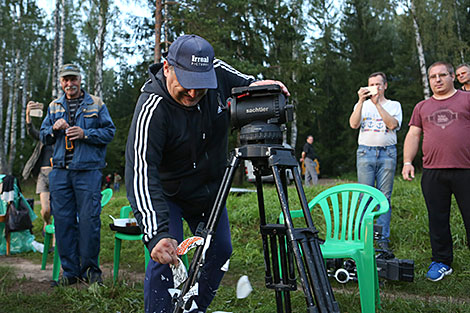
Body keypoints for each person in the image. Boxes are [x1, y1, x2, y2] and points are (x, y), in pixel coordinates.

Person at [125, 34, 289, 313]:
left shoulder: (218, 72)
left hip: (210, 190)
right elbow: (140, 170)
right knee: (167, 255)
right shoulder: (151, 109)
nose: (192, 94)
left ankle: (193, 307)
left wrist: (257, 87)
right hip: (169, 193)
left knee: (220, 251)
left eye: (200, 87)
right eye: (187, 85)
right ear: (167, 68)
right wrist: (156, 233)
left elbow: (246, 83)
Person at [40, 63, 115, 286]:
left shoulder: (96, 104)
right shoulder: (54, 107)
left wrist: (85, 133)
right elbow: (44, 136)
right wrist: (53, 128)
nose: (69, 84)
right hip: (60, 173)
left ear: (80, 79)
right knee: (63, 222)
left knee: (89, 222)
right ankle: (70, 273)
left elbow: (109, 132)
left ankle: (91, 271)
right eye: (65, 80)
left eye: (73, 79)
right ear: (61, 82)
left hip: (88, 171)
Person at [402, 61, 470, 282]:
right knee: (437, 219)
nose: (438, 80)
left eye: (442, 75)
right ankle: (442, 262)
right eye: (433, 77)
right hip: (433, 172)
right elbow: (413, 135)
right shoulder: (422, 106)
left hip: (465, 170)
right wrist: (407, 162)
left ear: (452, 77)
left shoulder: (467, 99)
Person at [349, 72, 402, 249]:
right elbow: (353, 124)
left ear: (385, 86)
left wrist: (377, 104)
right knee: (364, 197)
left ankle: (382, 239)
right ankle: (364, 237)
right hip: (365, 152)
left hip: (387, 153)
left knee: (384, 197)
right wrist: (360, 101)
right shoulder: (361, 105)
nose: (375, 87)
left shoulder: (394, 105)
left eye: (378, 84)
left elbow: (392, 125)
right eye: (371, 84)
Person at [22, 101, 54, 238]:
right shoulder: (43, 138)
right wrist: (28, 113)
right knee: (46, 209)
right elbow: (30, 130)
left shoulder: (63, 139)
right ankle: (47, 223)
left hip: (58, 175)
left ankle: (54, 239)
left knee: (57, 209)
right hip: (43, 175)